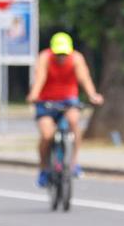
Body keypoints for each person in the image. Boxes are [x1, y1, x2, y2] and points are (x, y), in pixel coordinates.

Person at [26, 31, 104, 186]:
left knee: (74, 121)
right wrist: (33, 95)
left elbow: (84, 78)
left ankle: (73, 163)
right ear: (52, 51)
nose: (61, 57)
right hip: (46, 101)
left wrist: (92, 94)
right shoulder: (45, 57)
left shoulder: (76, 58)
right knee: (47, 135)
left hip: (68, 99)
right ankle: (44, 169)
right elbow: (40, 77)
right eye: (58, 54)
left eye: (64, 54)